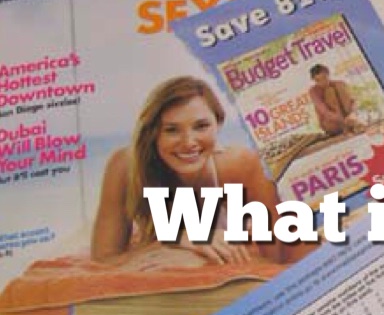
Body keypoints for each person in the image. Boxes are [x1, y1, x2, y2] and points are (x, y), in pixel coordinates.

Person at [91, 76, 305, 266]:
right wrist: (177, 239)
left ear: (218, 124)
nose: (188, 143)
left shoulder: (241, 165)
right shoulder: (126, 166)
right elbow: (104, 262)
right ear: (153, 133)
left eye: (201, 126)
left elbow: (280, 258)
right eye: (171, 130)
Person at [307, 64, 365, 137]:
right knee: (329, 91)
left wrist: (352, 114)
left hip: (349, 117)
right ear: (313, 80)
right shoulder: (313, 91)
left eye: (324, 78)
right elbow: (325, 111)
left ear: (328, 74)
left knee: (339, 87)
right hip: (332, 124)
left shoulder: (340, 84)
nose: (322, 82)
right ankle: (349, 126)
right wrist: (343, 120)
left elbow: (353, 101)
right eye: (318, 80)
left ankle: (352, 124)